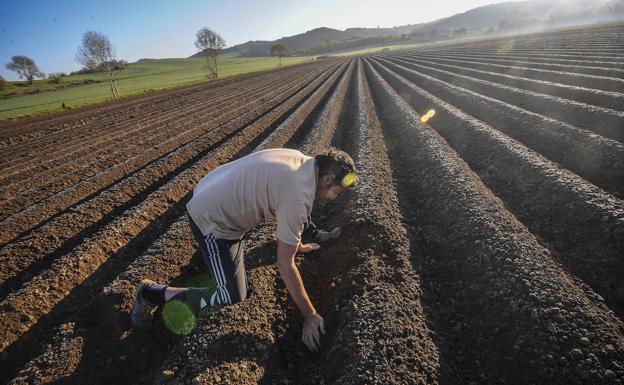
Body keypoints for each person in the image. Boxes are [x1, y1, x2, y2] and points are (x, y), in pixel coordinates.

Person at [131, 147, 357, 352]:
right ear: (328, 178)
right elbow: (284, 263)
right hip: (212, 220)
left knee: (233, 281)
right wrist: (310, 315)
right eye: (336, 192)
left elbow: (285, 204)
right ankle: (151, 293)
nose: (333, 197)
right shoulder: (296, 196)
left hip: (211, 189)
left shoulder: (302, 162)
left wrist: (296, 244)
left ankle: (200, 269)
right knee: (229, 295)